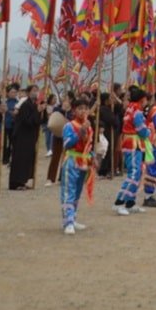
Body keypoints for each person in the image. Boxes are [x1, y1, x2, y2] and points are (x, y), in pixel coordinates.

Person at [113, 87, 151, 216]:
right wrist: (148, 132)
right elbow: (141, 130)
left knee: (137, 172)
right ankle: (120, 201)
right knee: (134, 173)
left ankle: (130, 202)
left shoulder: (130, 108)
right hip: (133, 143)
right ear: (142, 99)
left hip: (132, 143)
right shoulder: (137, 111)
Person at [60, 97, 94, 235]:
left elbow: (89, 145)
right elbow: (67, 144)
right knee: (69, 191)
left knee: (78, 192)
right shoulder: (69, 126)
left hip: (84, 162)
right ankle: (67, 222)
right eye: (80, 109)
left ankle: (72, 218)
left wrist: (93, 158)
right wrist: (80, 132)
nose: (83, 111)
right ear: (74, 110)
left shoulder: (89, 126)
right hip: (72, 160)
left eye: (85, 109)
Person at [8, 85, 44, 190]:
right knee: (20, 159)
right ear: (28, 93)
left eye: (37, 90)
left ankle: (23, 181)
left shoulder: (34, 104)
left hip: (30, 136)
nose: (36, 92)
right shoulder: (25, 105)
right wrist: (37, 111)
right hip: (22, 136)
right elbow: (28, 121)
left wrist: (41, 111)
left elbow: (39, 121)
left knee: (27, 159)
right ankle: (16, 183)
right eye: (33, 90)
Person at [0, 83, 20, 166]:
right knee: (4, 143)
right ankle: (4, 158)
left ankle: (12, 159)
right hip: (5, 125)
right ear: (8, 93)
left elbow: (16, 114)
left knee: (13, 143)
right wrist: (1, 110)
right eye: (12, 92)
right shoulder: (4, 102)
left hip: (14, 126)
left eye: (15, 92)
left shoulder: (18, 103)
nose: (13, 94)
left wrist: (8, 111)